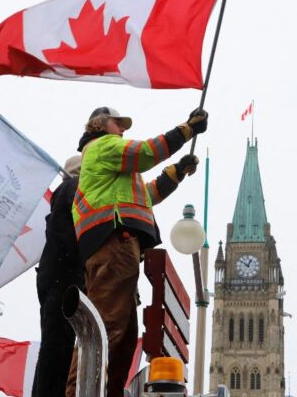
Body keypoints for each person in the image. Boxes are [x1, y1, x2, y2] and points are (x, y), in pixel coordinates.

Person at [65, 107, 207, 397]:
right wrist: (186, 130)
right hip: (113, 241)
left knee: (124, 336)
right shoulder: (103, 146)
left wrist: (177, 172)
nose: (123, 129)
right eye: (119, 123)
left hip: (116, 245)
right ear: (100, 125)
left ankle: (108, 392)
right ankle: (77, 393)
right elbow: (145, 153)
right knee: (105, 328)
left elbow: (147, 196)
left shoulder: (113, 174)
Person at [32, 155, 83, 397]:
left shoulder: (64, 191)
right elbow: (73, 238)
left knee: (55, 351)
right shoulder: (74, 188)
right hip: (65, 279)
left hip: (56, 278)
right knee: (58, 350)